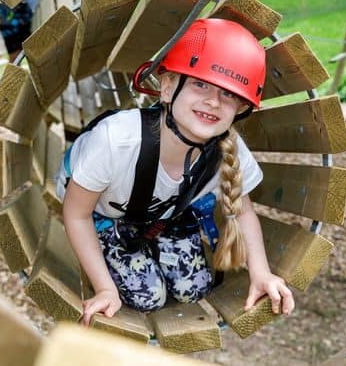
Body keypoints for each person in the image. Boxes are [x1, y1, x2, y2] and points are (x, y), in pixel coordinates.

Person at [57, 18, 294, 324]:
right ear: (168, 87)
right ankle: (121, 237)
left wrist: (260, 273)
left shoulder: (227, 150)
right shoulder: (115, 141)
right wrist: (105, 289)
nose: (213, 101)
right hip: (101, 213)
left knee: (193, 288)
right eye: (200, 84)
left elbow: (243, 212)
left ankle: (158, 229)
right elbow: (76, 214)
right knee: (148, 295)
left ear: (241, 109)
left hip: (161, 210)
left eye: (229, 94)